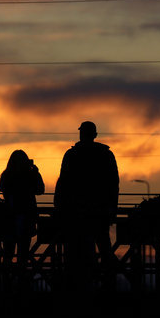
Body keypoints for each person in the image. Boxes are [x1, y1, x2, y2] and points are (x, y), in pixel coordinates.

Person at [54, 121, 119, 290]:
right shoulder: (105, 155)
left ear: (81, 134)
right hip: (99, 210)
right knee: (104, 248)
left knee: (76, 251)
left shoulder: (71, 154)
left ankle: (75, 286)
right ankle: (109, 284)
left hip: (75, 211)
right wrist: (112, 208)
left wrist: (59, 205)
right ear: (95, 135)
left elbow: (63, 182)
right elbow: (113, 183)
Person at [0, 150, 44, 289]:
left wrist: (35, 174)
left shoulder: (9, 175)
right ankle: (17, 285)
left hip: (15, 218)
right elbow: (40, 190)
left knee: (16, 253)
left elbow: (40, 190)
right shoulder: (14, 176)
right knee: (16, 253)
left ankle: (14, 285)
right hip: (18, 218)